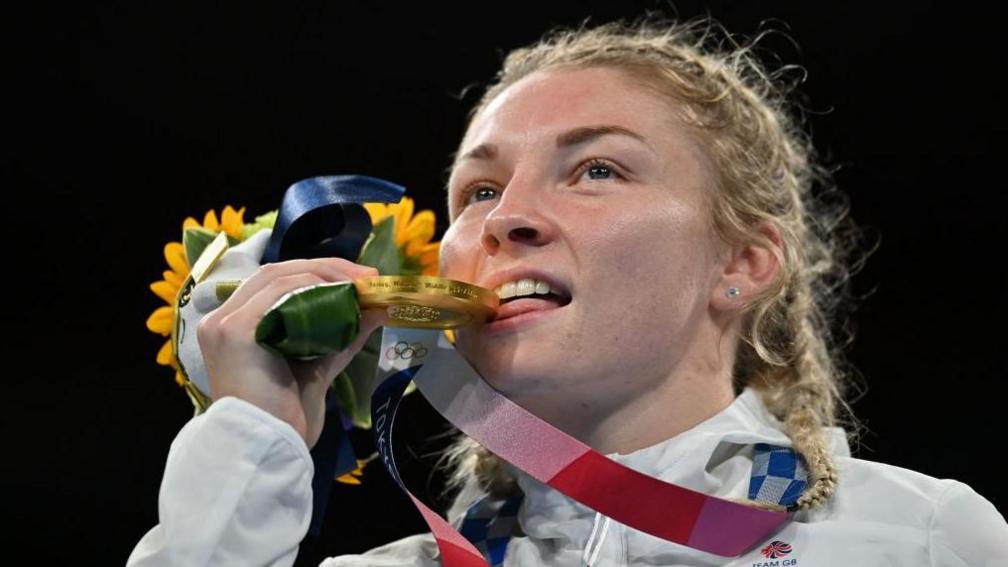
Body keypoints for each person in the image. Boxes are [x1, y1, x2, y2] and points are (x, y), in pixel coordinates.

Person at [128, 16, 1008, 566]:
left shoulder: (921, 537)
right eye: (478, 191)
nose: (508, 217)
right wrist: (252, 435)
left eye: (595, 168)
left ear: (741, 263)